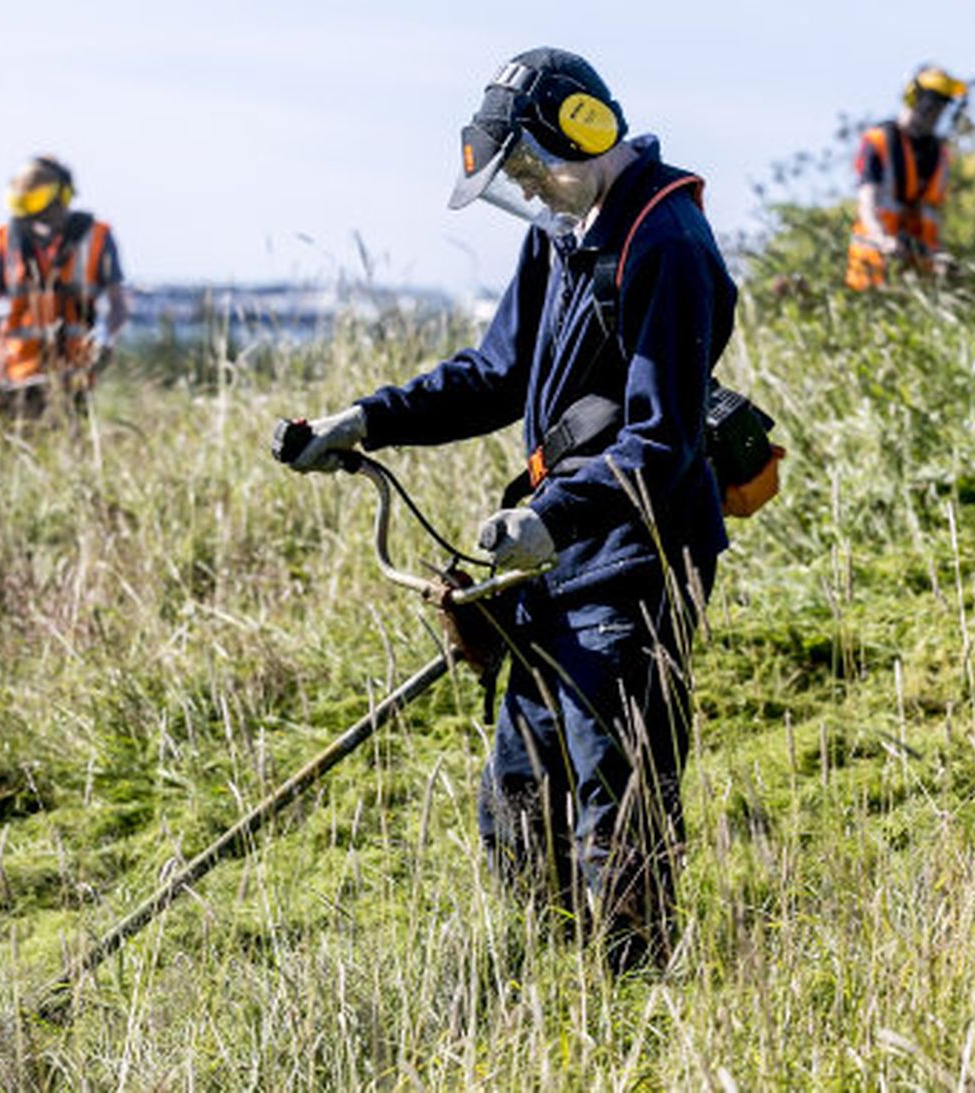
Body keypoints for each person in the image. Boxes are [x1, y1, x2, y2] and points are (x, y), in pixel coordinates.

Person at [284, 47, 736, 971]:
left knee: (621, 799)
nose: (529, 192)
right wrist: (367, 418)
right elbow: (494, 373)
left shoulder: (668, 243)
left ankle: (639, 997)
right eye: (516, 180)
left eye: (535, 169)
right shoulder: (562, 233)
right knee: (521, 801)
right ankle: (559, 984)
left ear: (586, 129)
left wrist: (551, 516)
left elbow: (662, 441)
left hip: (634, 560)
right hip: (557, 561)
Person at [0, 155, 129, 418]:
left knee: (68, 441)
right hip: (13, 372)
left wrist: (106, 341)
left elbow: (118, 304)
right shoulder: (8, 238)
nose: (37, 218)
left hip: (73, 371)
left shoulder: (97, 237)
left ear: (63, 196)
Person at [844, 65, 968, 291]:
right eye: (931, 105)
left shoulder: (939, 155)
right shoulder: (878, 141)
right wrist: (882, 239)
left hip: (920, 277)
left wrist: (938, 257)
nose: (935, 113)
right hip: (873, 268)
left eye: (941, 107)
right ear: (913, 98)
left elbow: (931, 215)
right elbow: (867, 204)